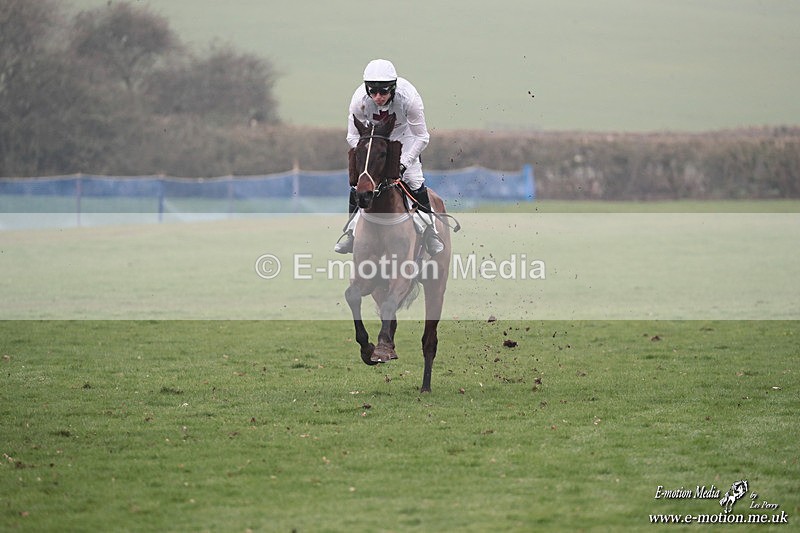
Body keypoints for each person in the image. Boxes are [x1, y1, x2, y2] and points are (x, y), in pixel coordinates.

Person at [334, 59, 444, 256]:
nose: (378, 97)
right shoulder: (358, 101)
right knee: (358, 183)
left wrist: (402, 164)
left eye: (383, 92)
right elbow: (352, 136)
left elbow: (422, 137)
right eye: (373, 92)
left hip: (406, 136)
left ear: (393, 88)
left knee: (414, 180)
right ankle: (351, 232)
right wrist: (368, 155)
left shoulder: (409, 99)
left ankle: (431, 232)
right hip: (374, 139)